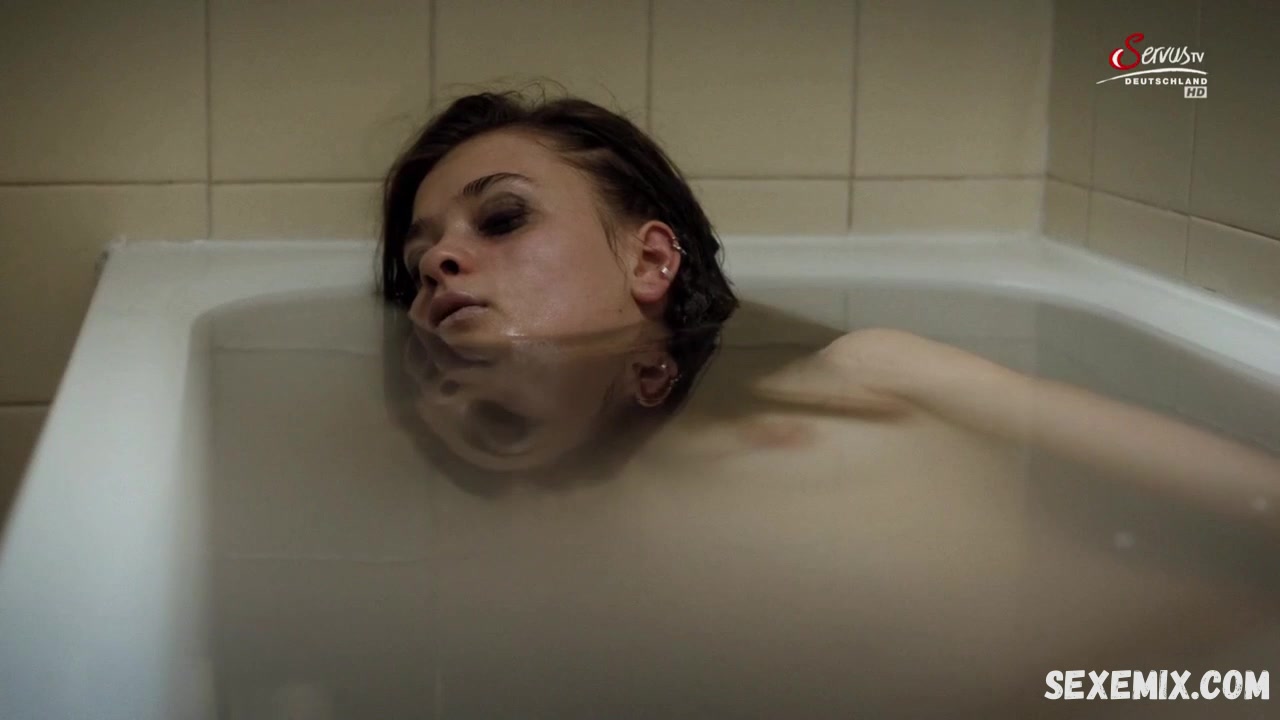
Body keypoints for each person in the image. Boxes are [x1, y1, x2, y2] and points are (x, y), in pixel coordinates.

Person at [374, 89, 1280, 715]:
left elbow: (1258, 493)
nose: (441, 264)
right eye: (420, 266)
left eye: (503, 219)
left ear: (650, 260)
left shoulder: (867, 374)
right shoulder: (530, 542)